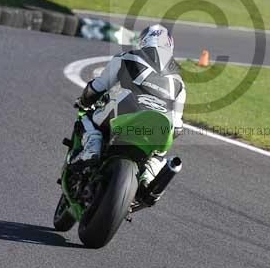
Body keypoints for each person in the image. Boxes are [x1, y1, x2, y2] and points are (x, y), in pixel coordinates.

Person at [72, 24, 185, 186]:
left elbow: (98, 87)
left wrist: (83, 101)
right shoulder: (179, 80)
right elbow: (178, 126)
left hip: (128, 108)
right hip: (161, 123)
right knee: (160, 150)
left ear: (144, 40)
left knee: (87, 118)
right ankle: (151, 171)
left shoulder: (127, 57)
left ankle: (92, 147)